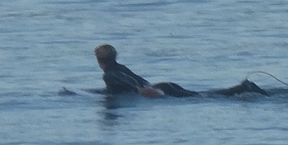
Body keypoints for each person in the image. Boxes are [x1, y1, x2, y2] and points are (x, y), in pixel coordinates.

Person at [94, 44, 266, 98]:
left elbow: (136, 87)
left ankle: (243, 88)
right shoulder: (120, 67)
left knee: (203, 97)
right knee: (201, 94)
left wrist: (158, 95)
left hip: (160, 89)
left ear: (99, 60)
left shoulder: (109, 74)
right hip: (163, 85)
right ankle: (242, 87)